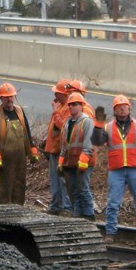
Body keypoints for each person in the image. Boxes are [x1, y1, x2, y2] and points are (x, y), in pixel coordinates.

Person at [92, 95, 136, 242]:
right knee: (113, 203)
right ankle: (110, 232)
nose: (122, 109)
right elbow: (96, 141)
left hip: (134, 168)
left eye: (124, 106)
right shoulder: (108, 127)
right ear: (114, 110)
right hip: (116, 169)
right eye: (119, 107)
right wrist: (98, 124)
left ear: (129, 108)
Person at [0, 82, 39, 205]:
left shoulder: (19, 112)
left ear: (14, 96)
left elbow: (26, 132)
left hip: (20, 158)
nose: (9, 99)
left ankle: (17, 211)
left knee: (19, 187)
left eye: (11, 96)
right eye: (6, 97)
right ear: (1, 98)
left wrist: (32, 149)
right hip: (4, 160)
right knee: (5, 189)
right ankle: (4, 212)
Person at [58, 92, 95, 220]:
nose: (71, 106)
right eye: (70, 104)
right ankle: (77, 215)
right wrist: (61, 161)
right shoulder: (67, 123)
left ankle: (89, 215)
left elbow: (88, 144)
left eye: (75, 104)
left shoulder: (87, 122)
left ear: (81, 106)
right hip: (70, 162)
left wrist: (83, 161)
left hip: (83, 162)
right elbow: (64, 145)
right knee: (73, 189)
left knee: (83, 189)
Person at [43, 79, 74, 215]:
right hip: (54, 150)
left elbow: (63, 127)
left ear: (64, 94)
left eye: (57, 92)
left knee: (63, 180)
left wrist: (55, 112)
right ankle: (56, 206)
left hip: (62, 151)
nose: (55, 95)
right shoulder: (61, 106)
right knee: (55, 180)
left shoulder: (67, 108)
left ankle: (66, 208)